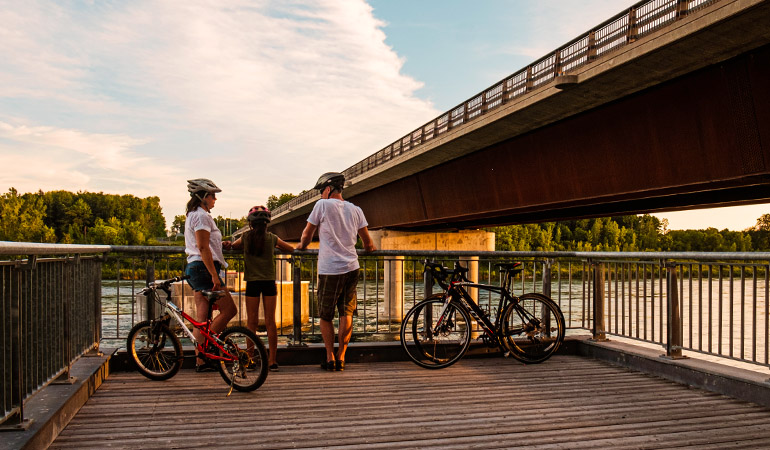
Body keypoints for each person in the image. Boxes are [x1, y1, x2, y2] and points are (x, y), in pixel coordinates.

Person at [295, 172, 376, 371]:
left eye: (321, 191)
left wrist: (301, 247)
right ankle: (342, 357)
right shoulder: (355, 209)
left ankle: (330, 357)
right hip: (351, 267)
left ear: (328, 189)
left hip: (330, 269)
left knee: (325, 315)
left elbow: (307, 233)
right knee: (346, 312)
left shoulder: (322, 205)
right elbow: (368, 243)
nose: (320, 195)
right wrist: (369, 248)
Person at [227, 206, 294, 372]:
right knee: (271, 321)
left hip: (252, 283)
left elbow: (233, 246)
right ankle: (272, 361)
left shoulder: (245, 237)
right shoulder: (272, 238)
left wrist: (228, 244)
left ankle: (250, 358)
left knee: (252, 322)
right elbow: (291, 248)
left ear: (251, 224)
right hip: (269, 282)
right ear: (267, 224)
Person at [183, 178, 237, 372]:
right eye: (213, 195)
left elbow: (206, 244)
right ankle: (207, 349)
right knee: (230, 310)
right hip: (204, 269)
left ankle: (201, 361)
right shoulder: (202, 216)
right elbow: (203, 246)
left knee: (202, 318)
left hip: (196, 268)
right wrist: (214, 276)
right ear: (203, 197)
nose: (215, 199)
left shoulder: (194, 215)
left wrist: (219, 246)